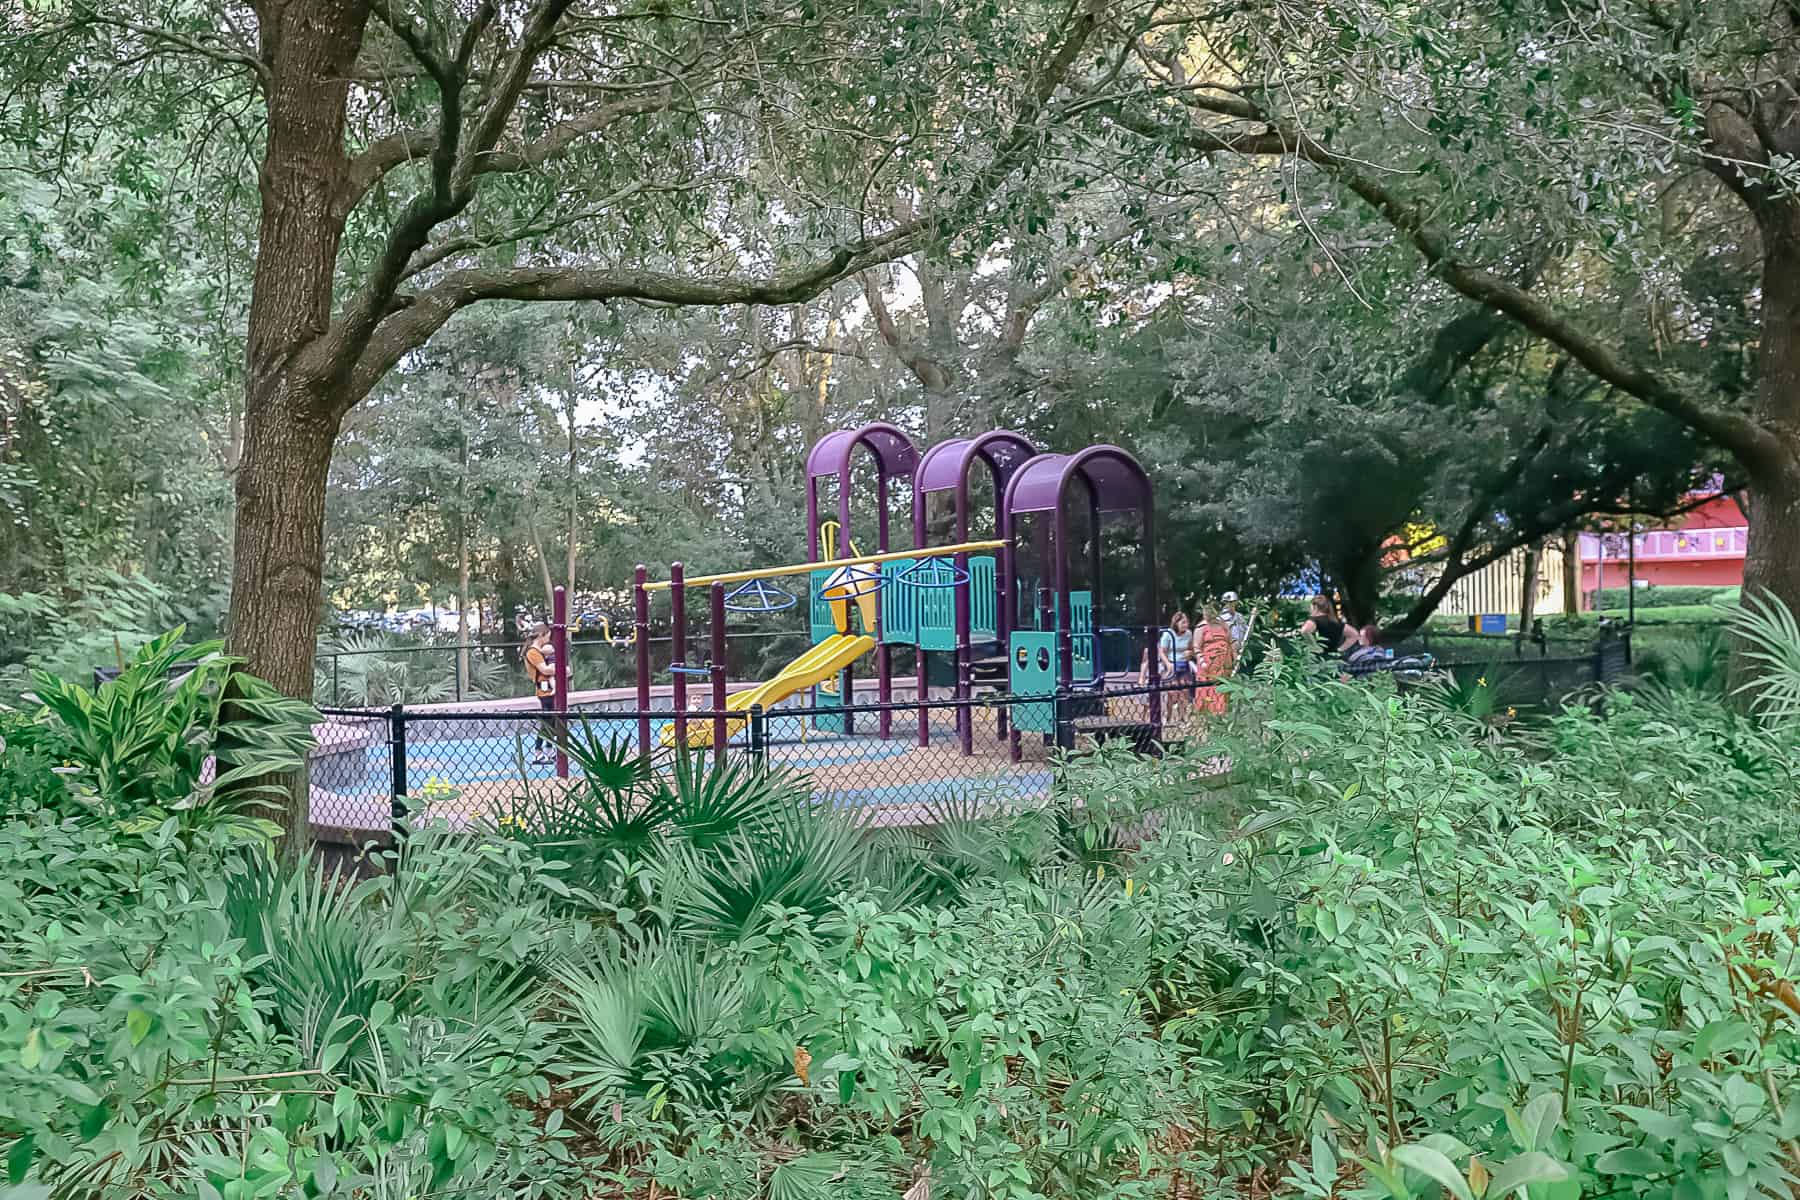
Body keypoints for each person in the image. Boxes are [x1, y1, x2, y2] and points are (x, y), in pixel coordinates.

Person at [523, 625, 559, 763]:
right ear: (541, 635)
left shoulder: (542, 651)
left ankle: (549, 750)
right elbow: (545, 670)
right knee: (546, 722)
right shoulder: (533, 652)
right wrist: (558, 669)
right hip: (544, 690)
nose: (549, 639)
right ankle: (538, 751)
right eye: (547, 636)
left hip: (550, 688)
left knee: (554, 721)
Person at [1193, 606, 1237, 716]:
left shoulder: (1223, 625)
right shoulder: (1201, 626)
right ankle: (1208, 713)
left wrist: (1235, 657)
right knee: (1208, 687)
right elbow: (1196, 646)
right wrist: (1202, 660)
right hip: (1208, 663)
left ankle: (1223, 712)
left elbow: (1231, 641)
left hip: (1224, 661)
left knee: (1223, 685)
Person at [1158, 610, 1194, 684]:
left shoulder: (1188, 633)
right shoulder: (1168, 634)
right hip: (1172, 663)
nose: (1186, 625)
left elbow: (1191, 648)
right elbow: (1162, 652)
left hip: (1184, 664)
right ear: (1176, 623)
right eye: (1183, 622)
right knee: (1173, 689)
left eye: (1187, 622)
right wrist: (1168, 664)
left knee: (1185, 689)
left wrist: (1190, 653)